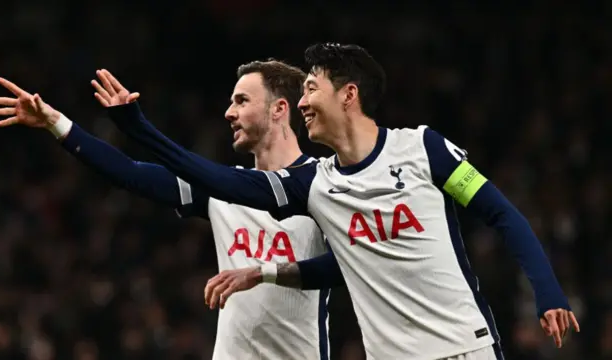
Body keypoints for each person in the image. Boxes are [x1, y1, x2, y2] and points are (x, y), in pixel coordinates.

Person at [29, 44, 579, 360]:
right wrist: (79, 124)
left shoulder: (411, 155)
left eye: (240, 99)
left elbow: (496, 214)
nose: (227, 112)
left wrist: (548, 291)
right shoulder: (300, 189)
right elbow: (154, 176)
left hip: (462, 347)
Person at [0, 60, 346, 360]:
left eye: (241, 100)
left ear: (279, 108)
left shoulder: (321, 183)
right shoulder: (221, 187)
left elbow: (343, 268)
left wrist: (263, 272)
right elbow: (129, 172)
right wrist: (55, 122)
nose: (229, 112)